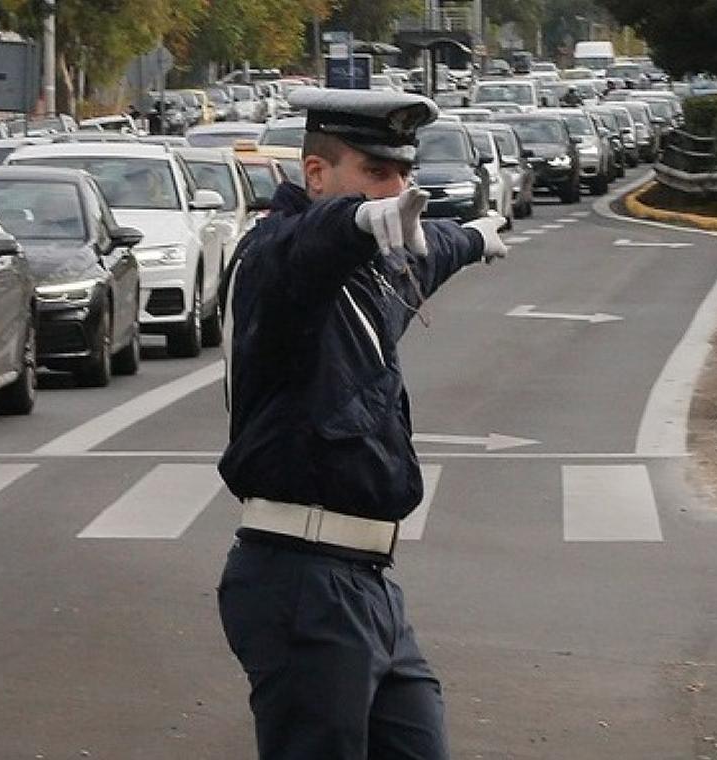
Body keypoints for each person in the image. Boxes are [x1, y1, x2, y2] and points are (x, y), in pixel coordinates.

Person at [215, 87, 509, 759]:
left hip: (367, 580)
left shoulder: (373, 272)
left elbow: (425, 250)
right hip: (300, 580)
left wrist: (471, 238)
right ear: (316, 174)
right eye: (377, 173)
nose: (398, 188)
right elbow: (311, 244)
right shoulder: (278, 261)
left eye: (403, 173)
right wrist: (355, 223)